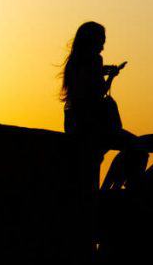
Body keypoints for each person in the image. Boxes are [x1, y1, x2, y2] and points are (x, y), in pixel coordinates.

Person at [60, 21, 147, 190]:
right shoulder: (94, 61)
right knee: (138, 149)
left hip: (75, 124)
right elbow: (98, 93)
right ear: (93, 41)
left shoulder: (73, 62)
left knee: (91, 162)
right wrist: (111, 77)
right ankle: (112, 187)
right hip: (95, 126)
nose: (102, 47)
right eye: (101, 42)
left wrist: (102, 72)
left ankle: (105, 188)